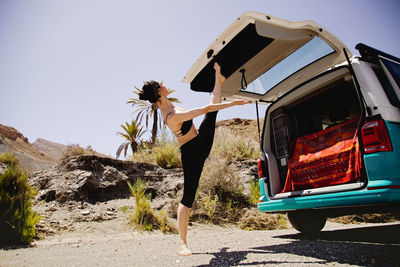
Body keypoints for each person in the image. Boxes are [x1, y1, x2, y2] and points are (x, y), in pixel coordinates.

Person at [138, 63, 250, 256]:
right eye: (161, 85)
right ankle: (182, 243)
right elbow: (202, 109)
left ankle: (218, 78)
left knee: (212, 113)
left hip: (200, 141)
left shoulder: (169, 104)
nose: (165, 85)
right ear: (158, 91)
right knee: (188, 197)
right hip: (191, 154)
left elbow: (208, 109)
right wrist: (233, 103)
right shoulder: (171, 115)